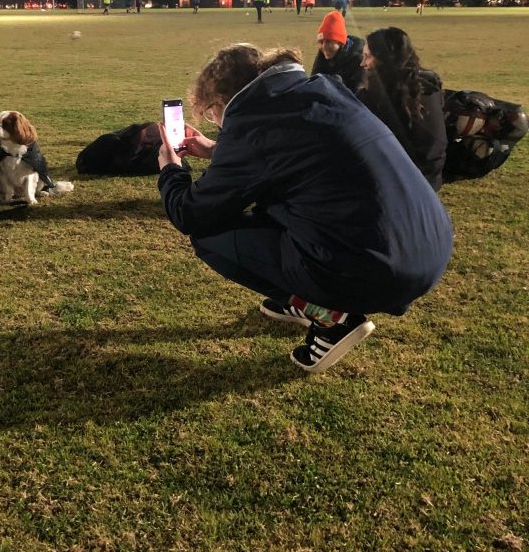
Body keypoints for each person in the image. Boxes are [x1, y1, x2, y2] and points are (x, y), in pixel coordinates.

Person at [156, 44, 453, 373]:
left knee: (210, 237)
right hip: (429, 246)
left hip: (377, 269)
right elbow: (298, 155)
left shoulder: (252, 124)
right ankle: (307, 297)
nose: (214, 122)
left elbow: (190, 213)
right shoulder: (322, 89)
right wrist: (218, 152)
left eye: (211, 112)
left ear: (222, 99)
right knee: (277, 209)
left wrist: (172, 169)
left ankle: (331, 318)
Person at [357, 27, 448, 190]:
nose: (362, 63)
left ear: (383, 59)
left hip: (402, 185)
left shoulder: (378, 98)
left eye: (368, 57)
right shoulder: (429, 86)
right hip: (431, 180)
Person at [310, 10, 365, 93]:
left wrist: (336, 84)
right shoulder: (323, 54)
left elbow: (357, 94)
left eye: (329, 41)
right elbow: (314, 80)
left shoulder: (359, 58)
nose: (324, 46)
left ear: (340, 43)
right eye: (321, 42)